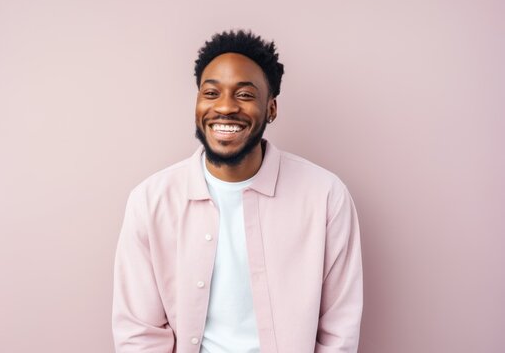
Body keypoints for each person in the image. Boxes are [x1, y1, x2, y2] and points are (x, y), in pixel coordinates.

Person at [112, 29, 363, 353]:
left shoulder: (326, 196)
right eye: (212, 93)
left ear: (271, 108)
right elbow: (138, 333)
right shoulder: (150, 201)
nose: (226, 107)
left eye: (244, 95)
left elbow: (339, 332)